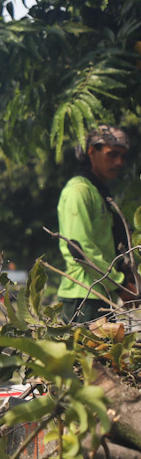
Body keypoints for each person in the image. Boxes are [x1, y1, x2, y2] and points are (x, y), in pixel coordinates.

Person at [57, 125, 134, 323]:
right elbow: (79, 248)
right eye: (113, 154)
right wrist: (120, 285)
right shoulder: (78, 191)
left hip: (102, 295)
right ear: (92, 152)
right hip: (82, 297)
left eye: (123, 157)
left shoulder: (100, 193)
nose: (119, 162)